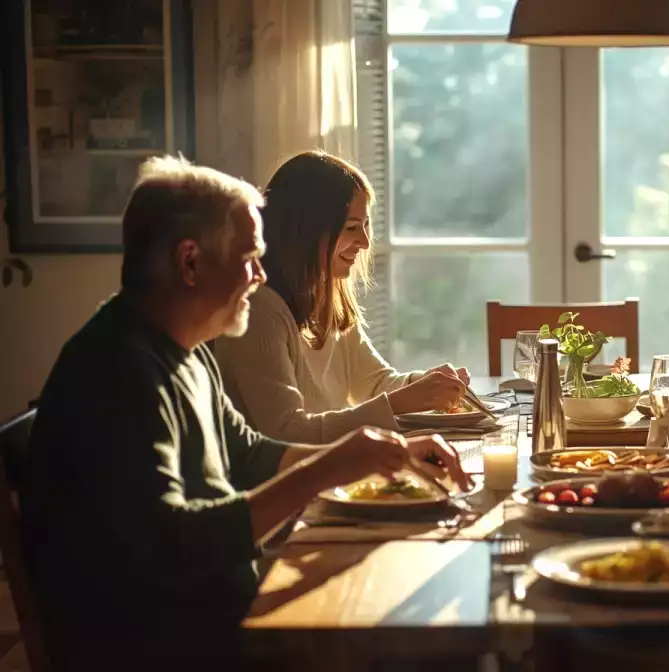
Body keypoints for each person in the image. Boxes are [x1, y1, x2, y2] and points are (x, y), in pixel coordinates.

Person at [22, 156, 471, 670]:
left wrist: (379, 455)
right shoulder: (119, 371)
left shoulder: (183, 350)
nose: (261, 276)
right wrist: (330, 466)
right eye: (249, 257)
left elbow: (252, 452)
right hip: (167, 645)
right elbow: (174, 547)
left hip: (212, 612)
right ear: (190, 263)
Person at [214, 151, 471, 444]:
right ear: (307, 231)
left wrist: (424, 385)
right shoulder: (259, 311)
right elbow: (287, 432)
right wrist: (402, 402)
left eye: (365, 225)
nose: (363, 241)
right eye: (351, 227)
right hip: (287, 483)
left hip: (330, 471)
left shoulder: (327, 296)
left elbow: (374, 383)